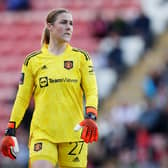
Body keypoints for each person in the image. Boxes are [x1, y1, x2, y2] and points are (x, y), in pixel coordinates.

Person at [0, 8, 98, 168]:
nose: (69, 27)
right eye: (64, 22)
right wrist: (11, 129)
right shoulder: (33, 61)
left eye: (71, 24)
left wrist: (91, 115)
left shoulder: (81, 58)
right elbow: (22, 98)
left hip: (73, 132)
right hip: (43, 133)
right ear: (50, 26)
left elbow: (92, 91)